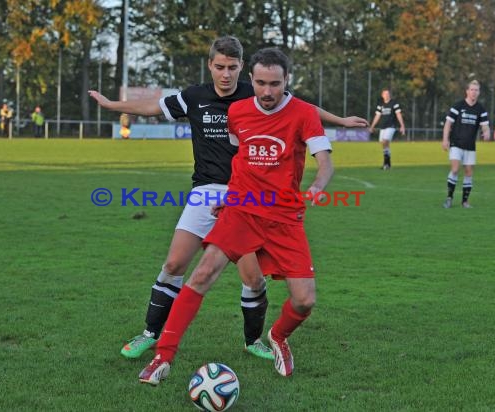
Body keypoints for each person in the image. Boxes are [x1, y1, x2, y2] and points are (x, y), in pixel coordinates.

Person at [89, 36, 367, 364]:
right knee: (175, 264)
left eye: (232, 67)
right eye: (219, 67)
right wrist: (112, 105)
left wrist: (340, 121)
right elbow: (152, 107)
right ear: (210, 66)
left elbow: (301, 107)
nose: (225, 74)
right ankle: (150, 335)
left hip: (246, 197)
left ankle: (253, 340)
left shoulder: (257, 94)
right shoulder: (194, 96)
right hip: (206, 191)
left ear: (242, 70)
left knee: (253, 278)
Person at [138, 47, 334, 384]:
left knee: (304, 301)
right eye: (260, 83)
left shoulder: (303, 113)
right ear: (252, 80)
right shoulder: (239, 112)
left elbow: (325, 160)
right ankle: (163, 356)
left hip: (284, 216)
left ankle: (279, 337)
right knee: (202, 274)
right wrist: (229, 193)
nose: (267, 91)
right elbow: (238, 157)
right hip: (241, 209)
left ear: (287, 80)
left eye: (275, 83)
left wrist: (318, 183)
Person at [442, 79, 490, 209]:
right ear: (467, 91)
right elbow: (448, 124)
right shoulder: (458, 106)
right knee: (455, 169)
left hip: (470, 146)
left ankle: (465, 202)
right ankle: (449, 198)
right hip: (456, 143)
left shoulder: (480, 109)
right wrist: (445, 139)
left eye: (476, 90)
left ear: (479, 92)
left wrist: (487, 133)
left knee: (468, 173)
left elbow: (485, 126)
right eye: (472, 90)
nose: (474, 92)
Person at [369, 89, 406, 170]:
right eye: (385, 94)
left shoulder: (394, 103)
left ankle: (386, 164)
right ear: (382, 95)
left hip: (391, 126)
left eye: (388, 94)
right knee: (384, 144)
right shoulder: (380, 104)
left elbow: (398, 114)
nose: (386, 95)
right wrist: (372, 126)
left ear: (390, 95)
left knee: (385, 141)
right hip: (383, 127)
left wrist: (402, 125)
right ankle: (387, 164)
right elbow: (377, 116)